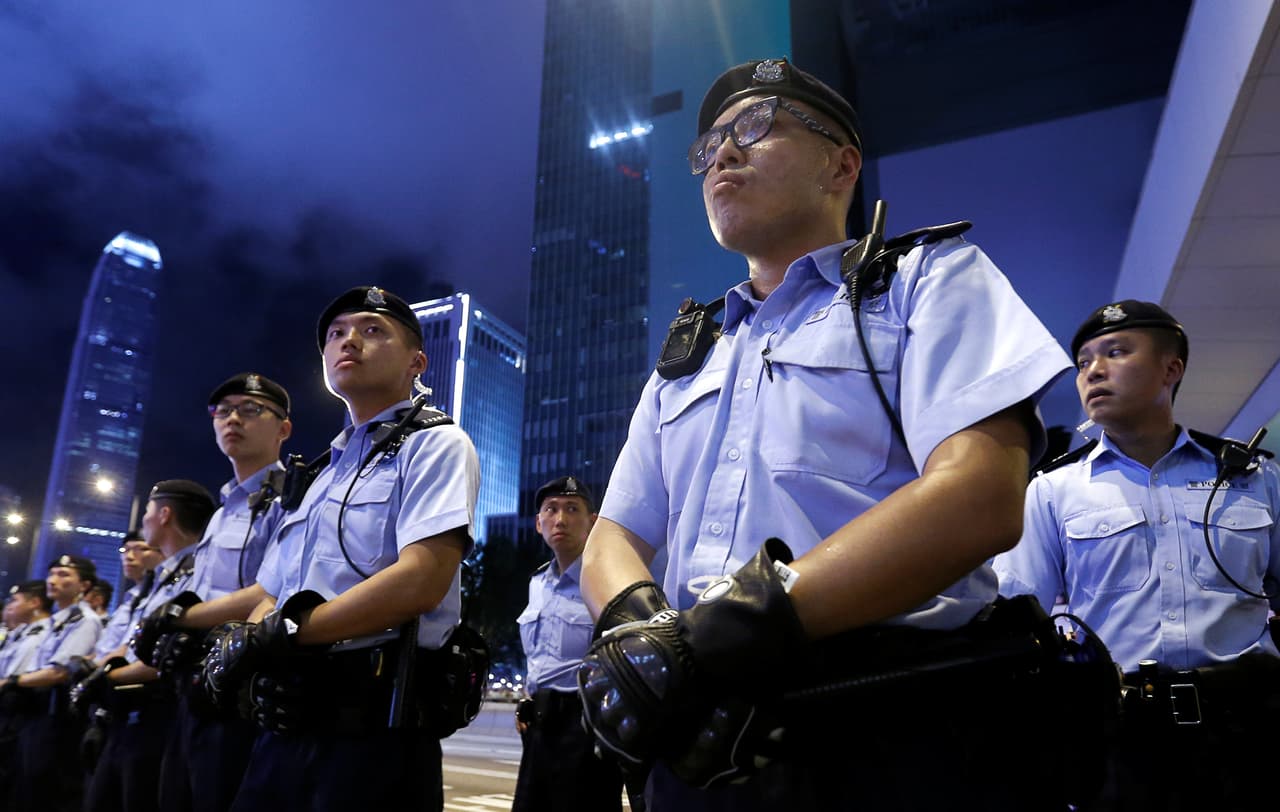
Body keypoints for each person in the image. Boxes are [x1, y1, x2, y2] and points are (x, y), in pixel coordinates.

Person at [575, 58, 1081, 811]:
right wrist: (646, 635)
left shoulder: (926, 281)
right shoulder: (688, 356)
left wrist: (731, 630)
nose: (723, 152)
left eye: (755, 126)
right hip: (702, 739)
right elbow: (613, 535)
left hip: (885, 725)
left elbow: (980, 492)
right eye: (709, 144)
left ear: (842, 164)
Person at [993, 300, 1280, 811]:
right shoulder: (1054, 490)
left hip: (1249, 722)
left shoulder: (1251, 478)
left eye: (1116, 352)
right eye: (1083, 362)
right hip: (1119, 729)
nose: (1093, 372)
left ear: (1171, 369)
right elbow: (1018, 617)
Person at [203, 285, 479, 811]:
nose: (349, 341)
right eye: (336, 334)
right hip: (285, 720)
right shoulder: (318, 475)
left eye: (373, 330)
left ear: (417, 361)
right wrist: (249, 640)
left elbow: (422, 578)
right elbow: (274, 590)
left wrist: (281, 633)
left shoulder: (436, 443)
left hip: (373, 729)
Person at [132, 372, 293, 812]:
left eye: (250, 409)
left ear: (283, 428)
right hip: (194, 687)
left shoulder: (289, 500)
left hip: (240, 687)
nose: (233, 419)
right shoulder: (222, 513)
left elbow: (270, 592)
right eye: (223, 411)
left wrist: (174, 617)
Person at [82, 479, 217, 812]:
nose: (144, 521)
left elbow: (165, 656)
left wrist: (106, 678)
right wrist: (101, 670)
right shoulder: (163, 578)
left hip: (159, 712)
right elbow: (133, 644)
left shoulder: (197, 573)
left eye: (147, 512)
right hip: (128, 714)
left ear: (165, 514)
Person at [513, 475, 624, 812]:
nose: (560, 519)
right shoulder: (537, 584)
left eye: (572, 509)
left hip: (587, 725)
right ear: (538, 523)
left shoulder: (606, 581)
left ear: (592, 522)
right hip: (539, 725)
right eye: (552, 510)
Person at [5, 555, 102, 811]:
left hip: (56, 713)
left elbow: (60, 672)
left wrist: (11, 680)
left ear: (84, 585)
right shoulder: (56, 620)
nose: (54, 580)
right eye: (52, 574)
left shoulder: (85, 619)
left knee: (46, 788)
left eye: (64, 575)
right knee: (24, 785)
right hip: (34, 710)